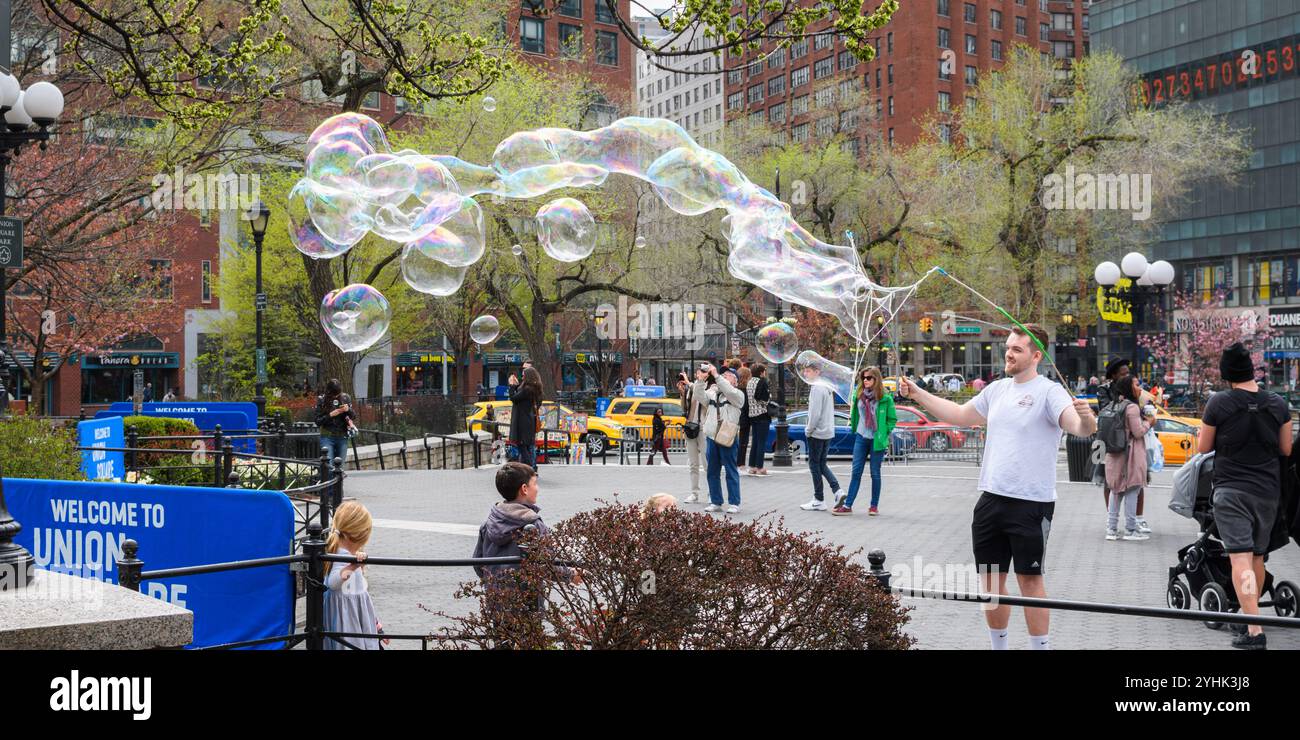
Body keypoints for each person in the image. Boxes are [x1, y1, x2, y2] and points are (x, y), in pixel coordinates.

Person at [898, 323, 1097, 650]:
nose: (1009, 353)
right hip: (990, 501)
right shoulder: (997, 390)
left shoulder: (1050, 392)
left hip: (1031, 504)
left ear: (1036, 356)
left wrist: (1087, 419)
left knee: (1030, 582)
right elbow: (961, 415)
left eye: (1017, 349)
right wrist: (918, 394)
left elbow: (1078, 427)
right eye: (1008, 347)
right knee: (991, 584)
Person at [1198, 342, 1293, 650]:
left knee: (1239, 558)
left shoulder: (1219, 404)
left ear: (1227, 374)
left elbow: (1203, 448)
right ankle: (1257, 620)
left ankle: (1255, 631)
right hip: (1267, 493)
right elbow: (1286, 450)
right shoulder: (1279, 404)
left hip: (1231, 492)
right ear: (1252, 370)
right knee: (1257, 557)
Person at [473, 463, 581, 629]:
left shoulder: (488, 524)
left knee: (502, 642)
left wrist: (495, 583)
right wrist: (570, 574)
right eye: (534, 484)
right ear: (524, 489)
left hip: (497, 603)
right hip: (527, 604)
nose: (537, 488)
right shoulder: (532, 525)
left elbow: (478, 563)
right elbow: (546, 565)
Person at [323, 500, 387, 650]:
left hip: (355, 616)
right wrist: (353, 565)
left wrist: (375, 624)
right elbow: (333, 583)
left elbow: (361, 599)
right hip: (348, 620)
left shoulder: (339, 552)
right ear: (361, 534)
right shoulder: (341, 555)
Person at [835, 366, 896, 516]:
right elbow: (855, 414)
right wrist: (854, 427)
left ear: (876, 379)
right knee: (856, 472)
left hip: (877, 439)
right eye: (863, 378)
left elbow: (892, 419)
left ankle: (874, 506)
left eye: (869, 378)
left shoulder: (885, 399)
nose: (865, 380)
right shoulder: (859, 395)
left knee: (875, 473)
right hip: (861, 437)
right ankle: (848, 505)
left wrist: (884, 432)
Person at [1104, 375, 1154, 542]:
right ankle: (1130, 530)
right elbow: (1138, 432)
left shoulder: (1114, 404)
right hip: (1130, 455)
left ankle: (1111, 530)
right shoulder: (1131, 407)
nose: (1139, 387)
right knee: (1133, 489)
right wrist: (1149, 423)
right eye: (1136, 384)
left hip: (1114, 453)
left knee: (1115, 490)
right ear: (1128, 387)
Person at [694, 362, 744, 514]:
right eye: (723, 375)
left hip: (727, 436)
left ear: (735, 381)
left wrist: (716, 375)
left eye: (729, 375)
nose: (724, 376)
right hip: (712, 435)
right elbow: (699, 396)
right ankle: (716, 501)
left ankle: (734, 502)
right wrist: (701, 381)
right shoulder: (713, 393)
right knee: (712, 471)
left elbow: (728, 390)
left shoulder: (737, 394)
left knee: (730, 470)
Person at [800, 364, 841, 511]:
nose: (805, 373)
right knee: (821, 464)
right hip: (828, 431)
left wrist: (808, 430)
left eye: (808, 370)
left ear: (817, 372)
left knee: (814, 465)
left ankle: (819, 499)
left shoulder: (817, 388)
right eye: (805, 370)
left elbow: (815, 414)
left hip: (817, 432)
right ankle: (838, 491)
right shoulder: (826, 387)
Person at [678, 369, 706, 504]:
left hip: (704, 429)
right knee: (693, 464)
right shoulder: (691, 389)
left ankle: (712, 493)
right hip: (690, 427)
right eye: (698, 373)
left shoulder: (710, 388)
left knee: (707, 464)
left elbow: (705, 400)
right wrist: (683, 393)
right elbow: (684, 408)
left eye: (702, 373)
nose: (699, 375)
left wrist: (691, 384)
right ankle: (694, 493)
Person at [315, 378, 357, 466]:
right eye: (334, 395)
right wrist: (330, 415)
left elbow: (353, 416)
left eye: (337, 394)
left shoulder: (345, 398)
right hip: (327, 437)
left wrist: (348, 409)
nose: (335, 397)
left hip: (342, 436)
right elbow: (318, 421)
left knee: (340, 467)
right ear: (328, 391)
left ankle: (339, 480)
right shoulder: (322, 399)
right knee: (329, 466)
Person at [508, 367, 543, 471]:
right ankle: (530, 469)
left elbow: (513, 398)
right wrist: (517, 385)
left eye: (523, 375)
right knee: (526, 447)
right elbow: (520, 393)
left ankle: (529, 470)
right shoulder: (532, 388)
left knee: (523, 447)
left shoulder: (527, 390)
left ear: (528, 376)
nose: (522, 376)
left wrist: (511, 386)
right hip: (528, 421)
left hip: (523, 423)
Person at [744, 363, 773, 475]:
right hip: (762, 414)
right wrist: (769, 398)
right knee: (761, 442)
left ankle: (752, 467)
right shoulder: (761, 382)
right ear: (761, 372)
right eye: (764, 371)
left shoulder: (750, 382)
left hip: (752, 415)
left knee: (755, 441)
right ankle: (760, 467)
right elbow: (763, 399)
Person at [734, 364, 753, 471]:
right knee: (743, 442)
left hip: (735, 419)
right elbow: (746, 407)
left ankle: (735, 461)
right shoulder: (747, 391)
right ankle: (740, 463)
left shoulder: (735, 389)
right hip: (744, 419)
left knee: (733, 441)